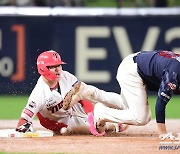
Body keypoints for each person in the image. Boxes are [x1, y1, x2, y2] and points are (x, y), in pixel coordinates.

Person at [62, 50, 180, 139]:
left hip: (135, 64)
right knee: (142, 118)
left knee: (127, 107)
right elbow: (160, 103)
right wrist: (163, 133)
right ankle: (102, 113)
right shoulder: (175, 73)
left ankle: (88, 92)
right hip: (133, 71)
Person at [15, 50, 121, 135]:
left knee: (104, 111)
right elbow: (23, 120)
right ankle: (113, 126)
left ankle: (115, 119)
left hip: (78, 110)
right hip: (65, 123)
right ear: (43, 69)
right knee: (76, 130)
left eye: (59, 65)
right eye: (53, 67)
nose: (58, 70)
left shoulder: (66, 76)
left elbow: (82, 95)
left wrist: (90, 114)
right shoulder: (39, 94)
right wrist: (24, 127)